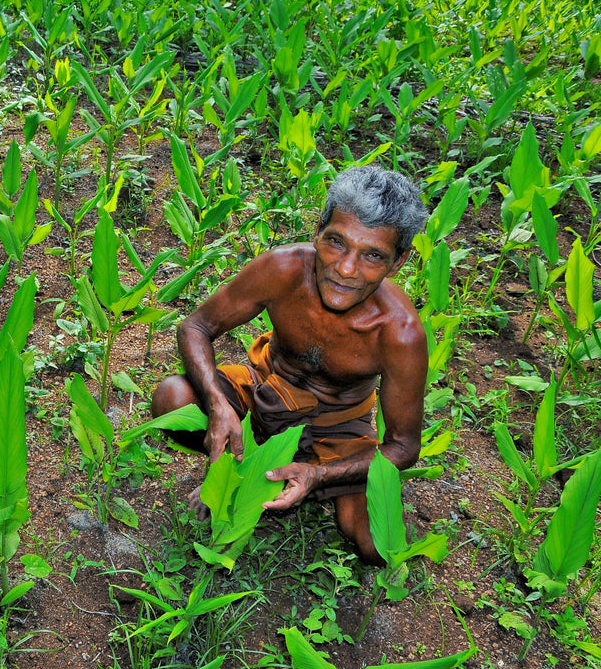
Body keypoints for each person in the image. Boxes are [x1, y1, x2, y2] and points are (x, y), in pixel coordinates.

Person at [150, 164, 429, 564]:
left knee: (374, 543)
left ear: (397, 262)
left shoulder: (399, 333)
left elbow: (403, 446)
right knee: (173, 398)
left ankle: (293, 477)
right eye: (336, 242)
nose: (346, 269)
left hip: (336, 427)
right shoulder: (282, 270)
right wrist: (217, 404)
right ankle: (240, 463)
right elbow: (196, 326)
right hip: (266, 389)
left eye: (372, 255)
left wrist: (320, 474)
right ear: (318, 230)